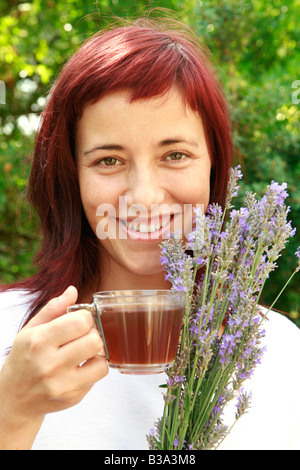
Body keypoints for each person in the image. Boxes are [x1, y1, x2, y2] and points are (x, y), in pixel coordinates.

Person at [0, 15, 299, 451]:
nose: (144, 197)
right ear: (71, 177)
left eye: (175, 155)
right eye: (108, 160)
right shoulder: (8, 335)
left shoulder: (282, 354)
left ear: (214, 167)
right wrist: (11, 413)